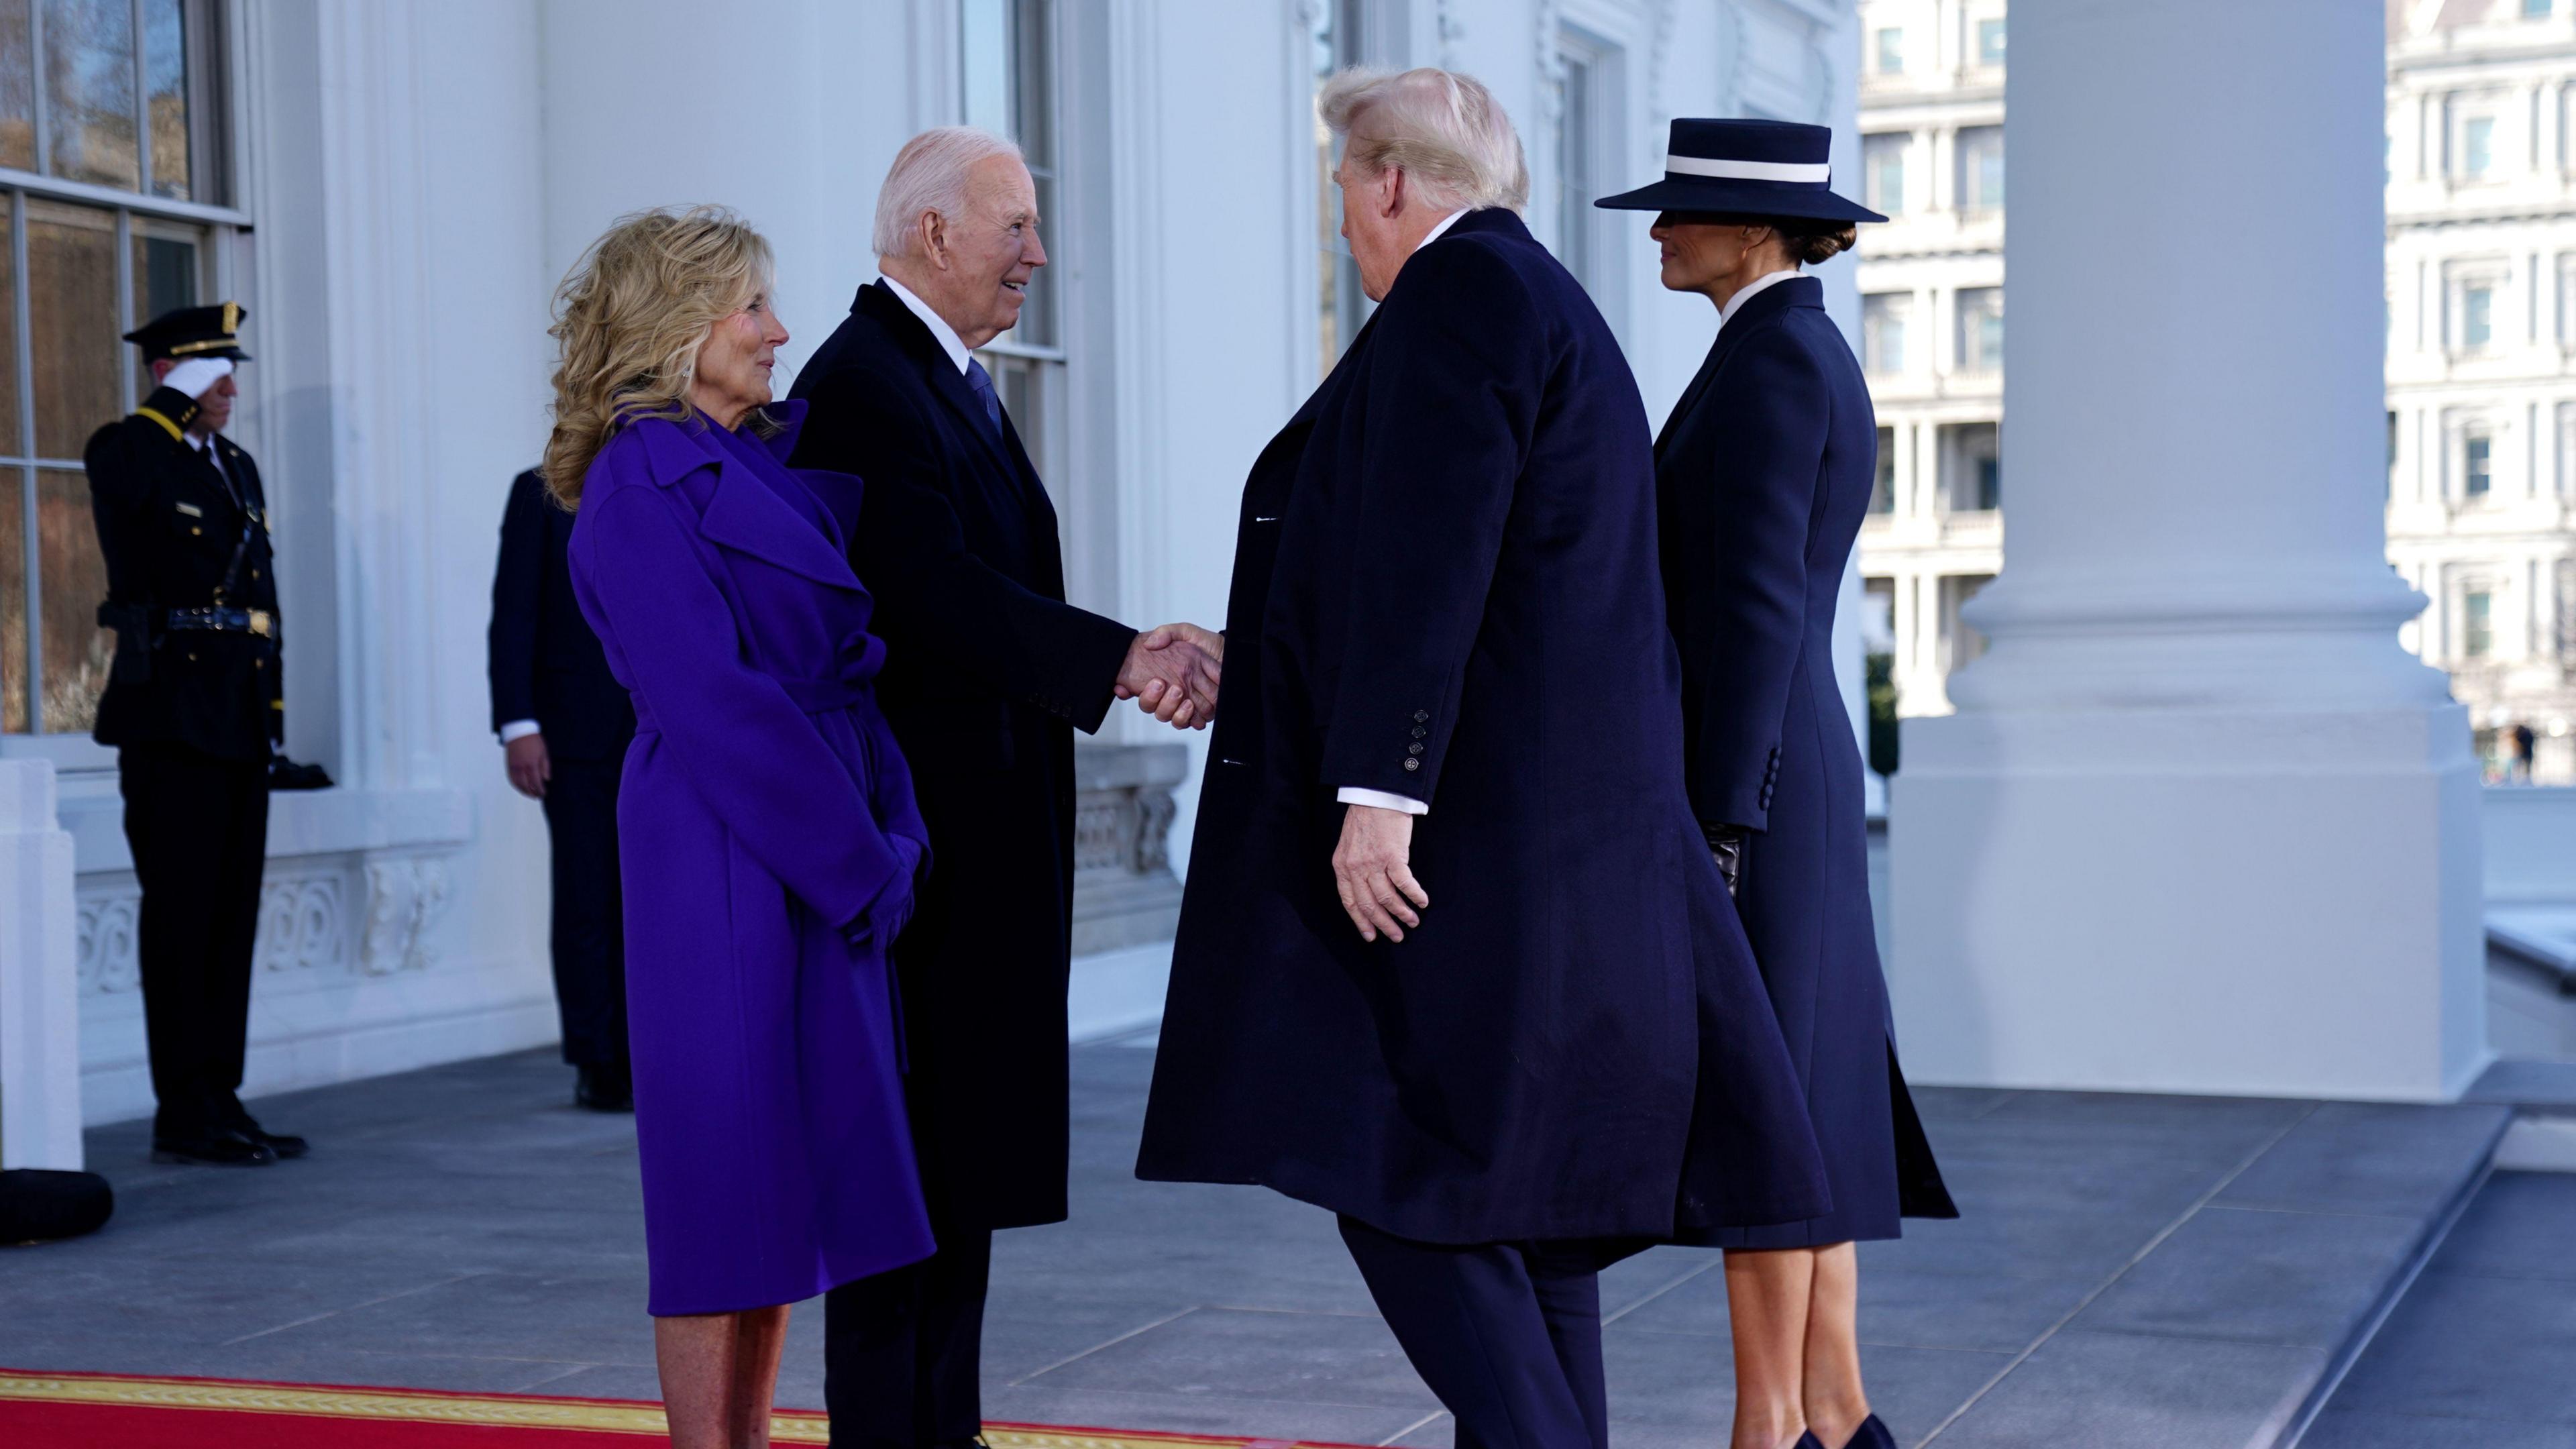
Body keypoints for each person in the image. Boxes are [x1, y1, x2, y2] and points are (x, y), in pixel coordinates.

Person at [1136, 70, 1832, 1447]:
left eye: (1343, 185)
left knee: (1394, 1168)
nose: (1340, 214)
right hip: (1557, 848)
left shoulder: (1459, 299)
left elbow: (1432, 562)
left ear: (1393, 182)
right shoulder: (1536, 299)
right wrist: (1255, 650)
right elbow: (1482, 578)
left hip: (1473, 850)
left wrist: (1377, 800)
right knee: (1528, 1212)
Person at [785, 126, 1221, 1446]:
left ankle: (946, 1428)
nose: (1037, 253)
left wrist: (1115, 650)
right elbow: (933, 593)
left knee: (957, 1176)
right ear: (934, 236)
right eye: (1016, 226)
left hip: (981, 841)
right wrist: (1121, 656)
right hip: (923, 856)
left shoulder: (949, 375)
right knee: (903, 1183)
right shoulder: (866, 379)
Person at [1595, 119, 1959, 1449]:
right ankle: (1835, 1418)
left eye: (1680, 211)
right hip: (1787, 773)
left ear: (1753, 230)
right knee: (1806, 1107)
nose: (1657, 233)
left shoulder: (1770, 366)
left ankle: (1768, 1434)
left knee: (1771, 1113)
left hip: (1761, 786)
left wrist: (1718, 823)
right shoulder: (1788, 350)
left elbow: (1749, 613)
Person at [549, 206, 934, 1449]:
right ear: (677, 329)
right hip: (723, 856)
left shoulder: (745, 461)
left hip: (807, 841)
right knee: (724, 1190)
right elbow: (714, 706)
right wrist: (859, 860)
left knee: (787, 1188)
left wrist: (892, 825)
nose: (778, 332)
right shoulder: (633, 486)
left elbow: (837, 674)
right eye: (753, 308)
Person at [87, 303, 321, 1169]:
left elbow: (261, 609)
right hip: (169, 723)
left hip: (234, 725)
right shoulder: (129, 448)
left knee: (229, 921)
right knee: (181, 919)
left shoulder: (236, 468)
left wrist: (273, 724)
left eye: (230, 372)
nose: (227, 387)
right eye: (207, 373)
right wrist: (170, 408)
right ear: (166, 376)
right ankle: (181, 1109)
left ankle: (221, 1095)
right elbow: (127, 494)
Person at [488, 464, 638, 1111]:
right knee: (586, 901)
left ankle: (646, 1052)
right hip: (574, 735)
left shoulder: (658, 479)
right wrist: (518, 724)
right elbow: (514, 611)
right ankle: (597, 1060)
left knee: (649, 903)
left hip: (659, 730)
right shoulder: (540, 488)